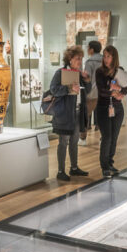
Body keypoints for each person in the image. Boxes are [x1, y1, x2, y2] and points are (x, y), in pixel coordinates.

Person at [48, 45, 92, 182]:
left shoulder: (79, 74)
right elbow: (53, 90)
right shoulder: (60, 73)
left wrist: (87, 80)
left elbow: (87, 91)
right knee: (63, 142)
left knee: (74, 141)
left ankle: (74, 168)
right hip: (65, 114)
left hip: (78, 112)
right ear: (70, 59)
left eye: (81, 58)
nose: (80, 61)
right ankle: (60, 171)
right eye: (78, 58)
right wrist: (68, 88)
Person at [94, 45, 127, 178]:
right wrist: (114, 91)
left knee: (114, 138)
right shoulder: (99, 72)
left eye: (109, 56)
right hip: (103, 108)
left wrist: (118, 89)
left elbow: (125, 90)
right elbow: (102, 91)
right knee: (106, 137)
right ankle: (105, 166)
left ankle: (110, 163)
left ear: (114, 57)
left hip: (117, 109)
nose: (106, 59)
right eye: (105, 56)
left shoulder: (120, 71)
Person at [81, 39, 102, 145]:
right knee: (103, 115)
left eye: (88, 48)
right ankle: (103, 138)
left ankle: (83, 138)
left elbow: (87, 78)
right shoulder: (105, 60)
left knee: (85, 114)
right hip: (103, 92)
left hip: (92, 92)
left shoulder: (90, 62)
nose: (87, 50)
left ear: (92, 49)